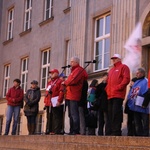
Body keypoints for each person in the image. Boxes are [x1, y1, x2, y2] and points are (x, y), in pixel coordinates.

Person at [106, 54, 130, 136]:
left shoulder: (123, 67)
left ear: (119, 59)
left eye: (115, 58)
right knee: (110, 113)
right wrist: (107, 90)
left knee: (116, 113)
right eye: (113, 58)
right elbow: (108, 82)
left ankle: (116, 131)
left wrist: (119, 87)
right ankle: (111, 130)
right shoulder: (112, 70)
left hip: (118, 94)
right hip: (110, 95)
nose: (113, 60)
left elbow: (126, 79)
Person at [63, 56, 88, 135]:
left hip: (74, 94)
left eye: (72, 62)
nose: (70, 63)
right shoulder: (73, 71)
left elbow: (73, 80)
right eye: (70, 61)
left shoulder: (78, 70)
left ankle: (76, 130)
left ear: (77, 62)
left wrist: (65, 82)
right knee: (71, 114)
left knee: (74, 113)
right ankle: (72, 130)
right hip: (69, 94)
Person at [127, 68, 149, 136]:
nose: (136, 74)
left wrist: (145, 103)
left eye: (138, 73)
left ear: (142, 73)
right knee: (137, 122)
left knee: (145, 121)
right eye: (136, 73)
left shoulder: (146, 81)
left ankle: (145, 136)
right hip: (135, 106)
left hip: (143, 105)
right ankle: (139, 136)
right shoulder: (136, 82)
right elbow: (131, 93)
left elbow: (148, 93)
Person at [44, 69, 64, 135]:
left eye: (53, 73)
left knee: (56, 116)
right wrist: (45, 101)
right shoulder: (50, 83)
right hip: (49, 102)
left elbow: (61, 91)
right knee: (49, 116)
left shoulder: (59, 81)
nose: (51, 74)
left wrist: (59, 100)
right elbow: (47, 92)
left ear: (56, 73)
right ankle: (49, 129)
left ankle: (56, 130)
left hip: (55, 101)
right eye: (51, 73)